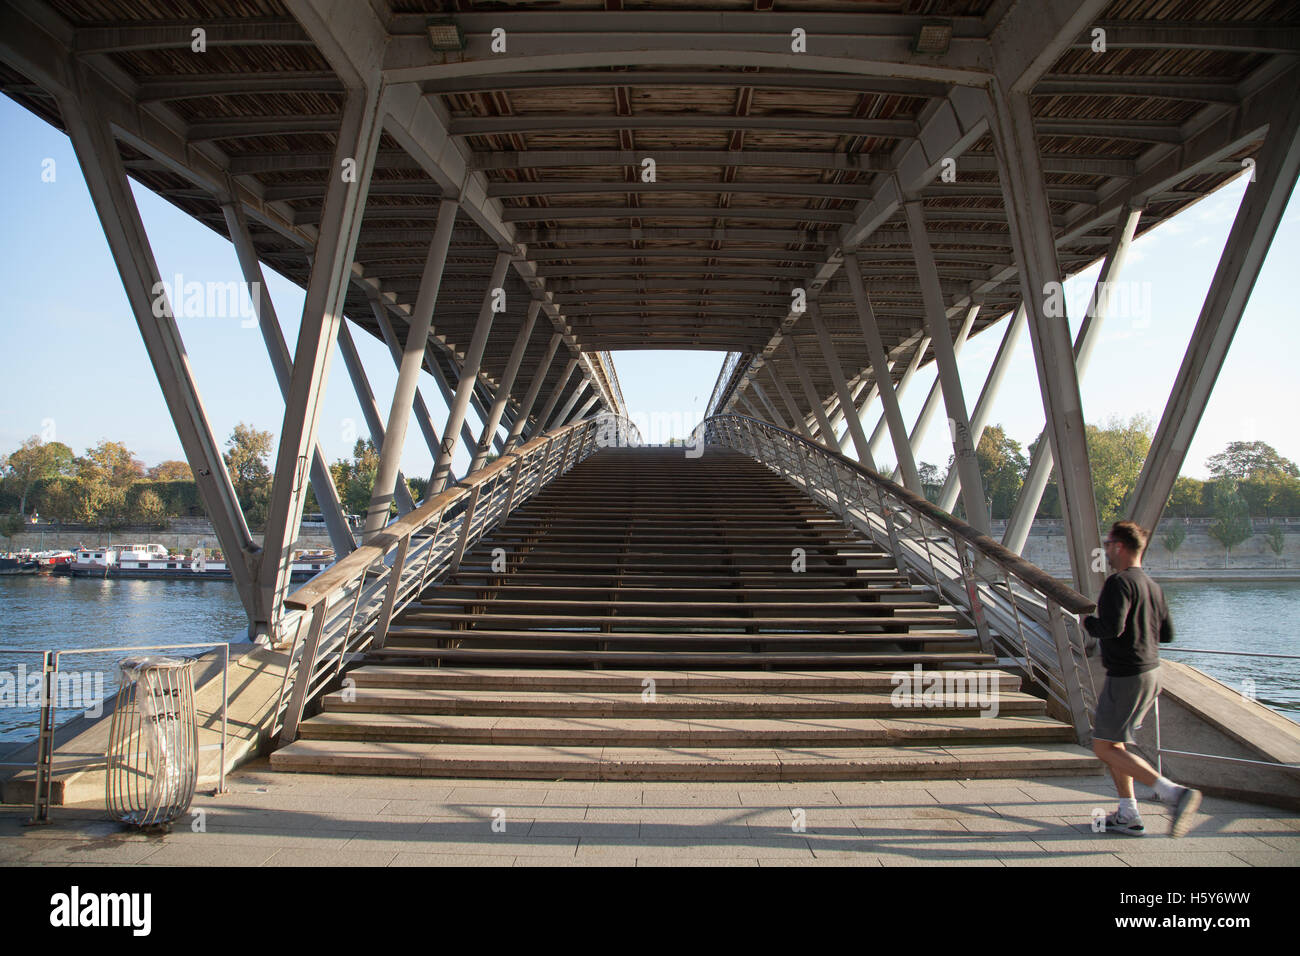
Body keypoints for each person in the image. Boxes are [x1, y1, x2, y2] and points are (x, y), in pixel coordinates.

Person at [1082, 520, 1201, 838]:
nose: (1106, 550)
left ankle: (1173, 793)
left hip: (1126, 676)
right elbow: (1168, 634)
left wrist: (1089, 623)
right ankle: (1128, 813)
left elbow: (1112, 628)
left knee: (1103, 747)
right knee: (1116, 743)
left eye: (1108, 544)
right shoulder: (1153, 585)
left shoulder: (1118, 583)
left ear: (1119, 547)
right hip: (1151, 672)